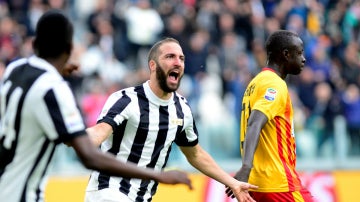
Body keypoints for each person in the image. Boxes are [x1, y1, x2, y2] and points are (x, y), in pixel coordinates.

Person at [0, 10, 193, 202]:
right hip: (21, 195)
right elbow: (89, 156)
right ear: (69, 49)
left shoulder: (14, 71)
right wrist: (159, 176)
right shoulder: (55, 89)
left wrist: (59, 68)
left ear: (34, 44)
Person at [84, 37, 258, 202]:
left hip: (141, 197)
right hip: (108, 192)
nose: (177, 62)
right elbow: (100, 131)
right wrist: (76, 137)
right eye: (170, 57)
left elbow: (195, 153)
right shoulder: (126, 99)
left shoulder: (181, 109)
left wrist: (231, 182)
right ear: (152, 65)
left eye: (181, 58)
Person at [226, 30, 314, 201]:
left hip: (257, 184)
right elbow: (255, 122)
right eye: (300, 53)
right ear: (286, 55)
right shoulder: (275, 84)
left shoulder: (255, 83)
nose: (304, 59)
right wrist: (245, 167)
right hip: (278, 183)